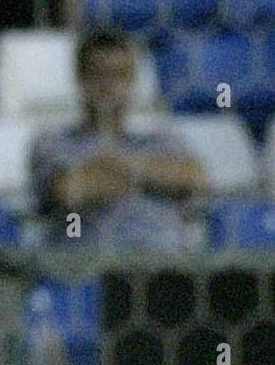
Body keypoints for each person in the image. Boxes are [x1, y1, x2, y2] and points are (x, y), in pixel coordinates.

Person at [30, 28, 209, 251]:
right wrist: (153, 175)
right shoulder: (55, 143)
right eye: (98, 74)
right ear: (80, 78)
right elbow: (71, 192)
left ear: (132, 79)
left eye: (119, 75)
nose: (108, 85)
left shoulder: (161, 140)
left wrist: (117, 166)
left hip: (163, 268)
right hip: (87, 269)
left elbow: (195, 179)